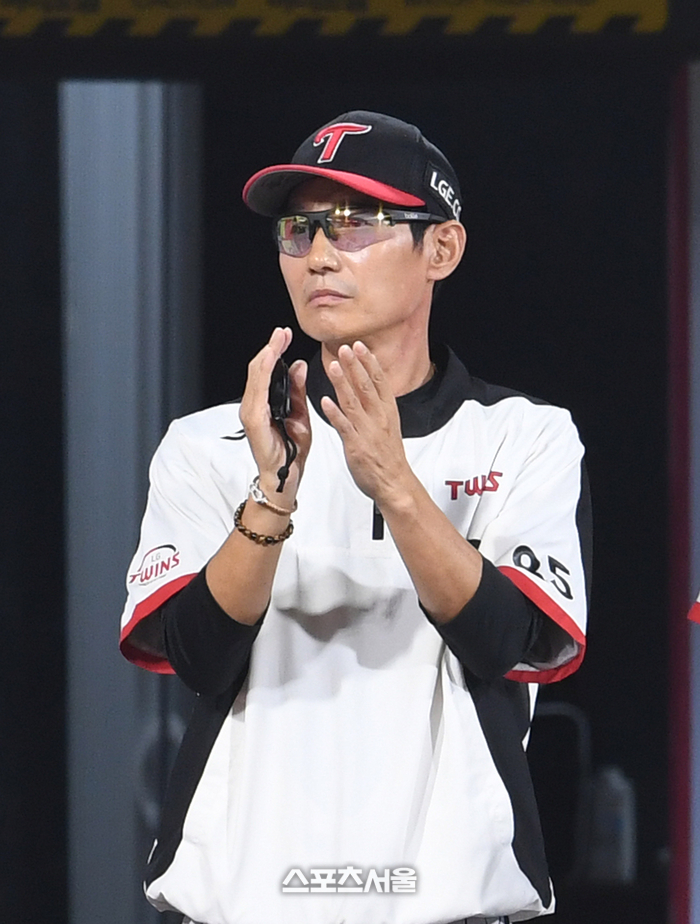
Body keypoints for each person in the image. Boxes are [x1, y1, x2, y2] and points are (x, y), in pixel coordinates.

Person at [119, 110, 591, 924]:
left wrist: (395, 486)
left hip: (447, 905)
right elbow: (198, 657)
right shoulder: (209, 444)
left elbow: (507, 644)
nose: (319, 255)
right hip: (241, 905)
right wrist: (272, 496)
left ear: (442, 248)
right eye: (298, 230)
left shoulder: (524, 436)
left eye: (356, 223)